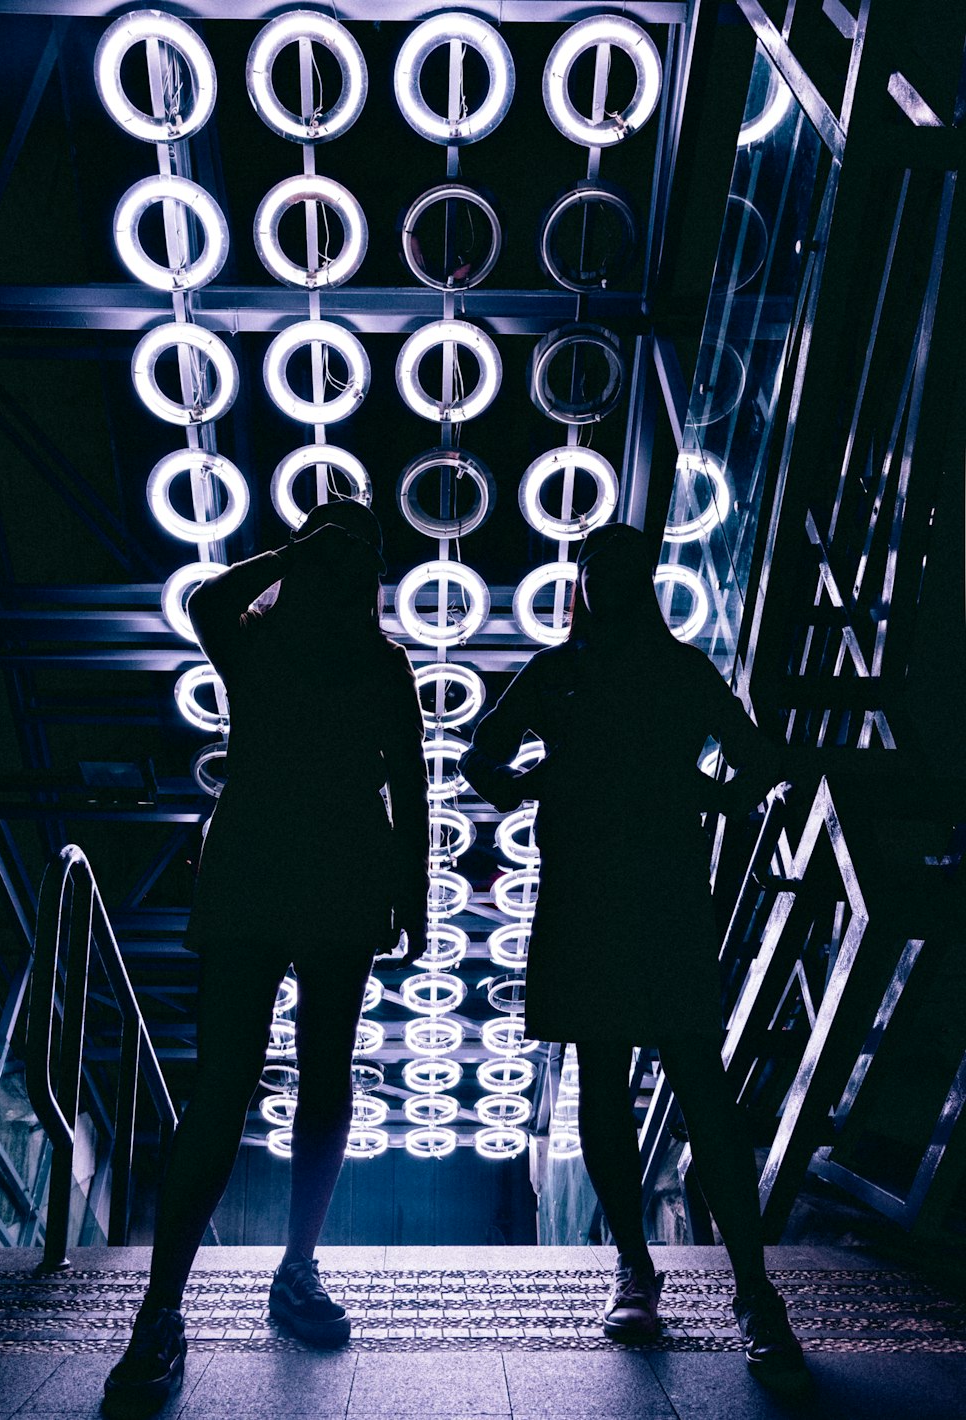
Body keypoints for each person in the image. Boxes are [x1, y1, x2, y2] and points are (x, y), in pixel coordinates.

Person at [103, 500, 429, 1416]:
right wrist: (413, 893)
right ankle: (262, 1281)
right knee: (293, 1079)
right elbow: (407, 783)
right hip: (320, 871)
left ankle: (170, 1311)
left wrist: (416, 889)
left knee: (261, 1081)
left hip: (267, 869)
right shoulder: (351, 655)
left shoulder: (278, 646)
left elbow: (410, 779)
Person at [460, 522, 806, 1381]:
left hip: (591, 892)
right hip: (658, 894)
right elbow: (762, 761)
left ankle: (643, 1273)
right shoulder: (675, 669)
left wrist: (542, 781)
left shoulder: (562, 672)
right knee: (693, 1085)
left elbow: (482, 763)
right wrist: (706, 794)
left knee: (616, 1084)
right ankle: (748, 1294)